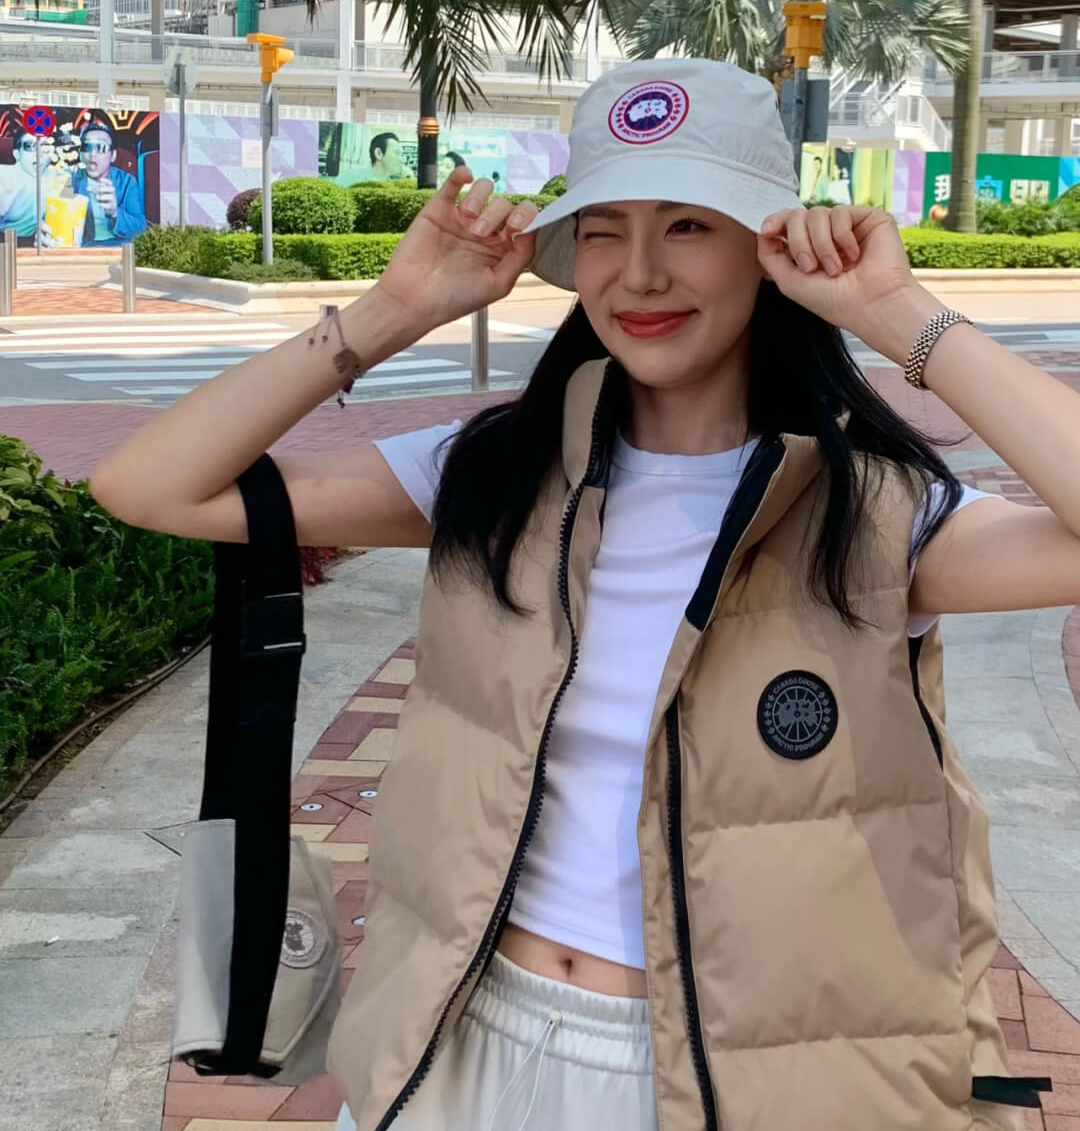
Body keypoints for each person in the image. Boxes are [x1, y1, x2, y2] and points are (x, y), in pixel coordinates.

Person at [89, 58, 1074, 1131]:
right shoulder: (494, 475)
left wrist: (900, 315)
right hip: (463, 1043)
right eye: (604, 230)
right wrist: (393, 310)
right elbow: (150, 486)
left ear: (769, 247)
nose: (639, 274)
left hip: (736, 1077)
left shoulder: (872, 515)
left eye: (688, 225)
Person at [69, 121, 146, 245]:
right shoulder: (71, 180)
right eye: (87, 147)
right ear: (81, 154)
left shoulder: (126, 181)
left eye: (101, 147)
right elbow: (54, 218)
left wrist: (114, 213)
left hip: (118, 247)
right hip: (84, 249)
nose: (92, 154)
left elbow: (140, 228)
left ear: (113, 155)